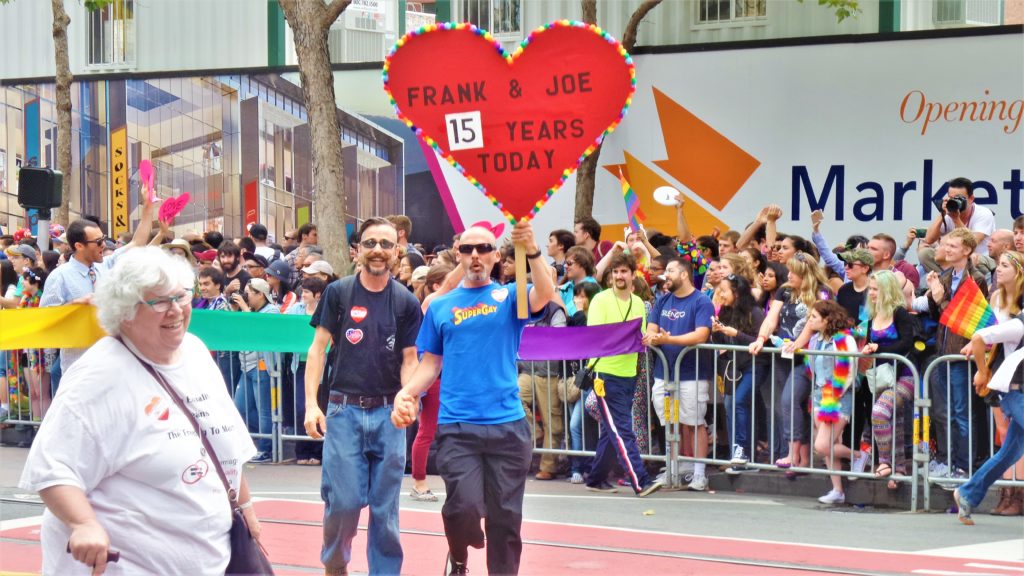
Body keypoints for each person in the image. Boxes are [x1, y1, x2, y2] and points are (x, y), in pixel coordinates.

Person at [19, 247, 260, 574]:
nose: (175, 310)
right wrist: (83, 523)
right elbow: (53, 467)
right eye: (159, 301)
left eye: (181, 296)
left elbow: (220, 440)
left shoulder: (195, 351)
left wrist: (244, 506)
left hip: (210, 560)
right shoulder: (99, 375)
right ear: (126, 312)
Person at [391, 220, 555, 576]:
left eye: (483, 249)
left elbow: (545, 293)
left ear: (496, 256)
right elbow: (430, 365)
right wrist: (406, 393)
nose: (476, 255)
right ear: (459, 257)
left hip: (508, 428)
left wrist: (534, 251)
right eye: (467, 249)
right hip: (457, 427)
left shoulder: (511, 296)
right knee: (461, 508)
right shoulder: (439, 306)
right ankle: (460, 557)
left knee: (506, 518)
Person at [304, 217, 423, 576]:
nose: (378, 251)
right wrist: (312, 405)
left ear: (397, 251)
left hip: (389, 415)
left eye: (386, 244)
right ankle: (335, 565)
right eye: (370, 243)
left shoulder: (405, 301)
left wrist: (407, 398)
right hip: (343, 412)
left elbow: (409, 359)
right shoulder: (338, 292)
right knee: (343, 503)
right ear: (358, 250)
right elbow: (317, 350)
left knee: (385, 510)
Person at [913, 228, 988, 484]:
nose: (946, 250)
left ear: (967, 250)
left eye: (953, 246)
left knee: (961, 412)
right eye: (946, 245)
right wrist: (935, 298)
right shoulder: (945, 276)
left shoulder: (975, 279)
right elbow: (939, 318)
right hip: (943, 353)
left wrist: (940, 298)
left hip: (961, 354)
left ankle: (964, 465)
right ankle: (949, 460)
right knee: (944, 411)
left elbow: (964, 322)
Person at [581, 252, 659, 496]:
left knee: (610, 428)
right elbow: (595, 336)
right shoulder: (600, 301)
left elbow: (640, 336)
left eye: (623, 271)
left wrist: (646, 338)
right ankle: (640, 480)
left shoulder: (638, 303)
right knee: (623, 429)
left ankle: (596, 478)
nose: (619, 276)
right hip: (604, 374)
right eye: (615, 272)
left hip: (629, 373)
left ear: (632, 274)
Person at [957, 250, 1024, 517]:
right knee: (1008, 451)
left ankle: (968, 493)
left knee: (1008, 454)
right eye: (999, 265)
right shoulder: (1018, 325)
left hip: (1015, 387)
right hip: (1015, 390)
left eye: (1004, 266)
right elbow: (980, 335)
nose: (998, 270)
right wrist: (983, 371)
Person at [644, 257, 715, 490]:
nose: (666, 275)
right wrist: (653, 337)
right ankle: (672, 469)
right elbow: (651, 330)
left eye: (670, 270)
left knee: (694, 422)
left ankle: (699, 473)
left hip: (691, 374)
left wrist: (668, 339)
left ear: (684, 274)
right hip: (664, 374)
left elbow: (701, 335)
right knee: (670, 422)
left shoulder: (702, 301)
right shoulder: (662, 301)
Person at [861, 271, 917, 489]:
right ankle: (899, 471)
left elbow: (906, 343)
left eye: (876, 289)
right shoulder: (871, 316)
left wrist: (878, 348)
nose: (872, 293)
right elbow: (868, 344)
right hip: (882, 377)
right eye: (871, 289)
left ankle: (885, 462)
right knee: (895, 421)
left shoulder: (900, 313)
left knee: (880, 412)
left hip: (905, 375)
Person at [804, 301, 863, 505]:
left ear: (827, 319)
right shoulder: (815, 340)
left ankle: (858, 455)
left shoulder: (844, 340)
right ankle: (838, 490)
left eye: (813, 317)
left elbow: (847, 372)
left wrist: (833, 395)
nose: (809, 320)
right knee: (831, 446)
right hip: (820, 394)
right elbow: (813, 368)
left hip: (837, 397)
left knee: (822, 445)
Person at [711, 273, 765, 473]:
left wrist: (736, 334)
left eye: (724, 290)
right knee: (729, 402)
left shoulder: (754, 312)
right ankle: (739, 453)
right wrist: (716, 329)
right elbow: (721, 343)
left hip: (755, 365)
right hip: (736, 367)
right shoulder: (725, 311)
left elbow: (760, 341)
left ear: (737, 292)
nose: (720, 294)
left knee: (740, 400)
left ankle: (743, 452)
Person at [231, 278, 280, 463]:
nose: (246, 297)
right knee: (240, 407)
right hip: (246, 366)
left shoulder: (272, 310)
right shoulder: (250, 311)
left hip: (263, 367)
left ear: (260, 294)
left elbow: (263, 331)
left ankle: (266, 448)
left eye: (249, 293)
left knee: (265, 410)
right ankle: (261, 439)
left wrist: (244, 309)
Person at [288, 276, 327, 466]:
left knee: (320, 406)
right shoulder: (296, 309)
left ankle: (318, 451)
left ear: (317, 295)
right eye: (302, 291)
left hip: (321, 365)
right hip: (300, 365)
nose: (302, 295)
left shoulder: (325, 310)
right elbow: (281, 325)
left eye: (305, 292)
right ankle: (302, 451)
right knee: (301, 407)